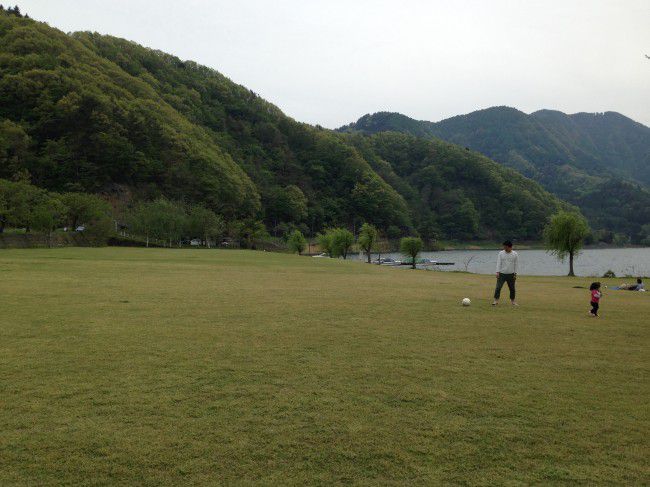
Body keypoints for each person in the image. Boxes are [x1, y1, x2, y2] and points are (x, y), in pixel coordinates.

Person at [492, 240, 518, 306]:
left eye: (506, 247)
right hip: (502, 274)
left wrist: (515, 273)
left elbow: (516, 264)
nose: (504, 248)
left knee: (512, 288)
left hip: (511, 274)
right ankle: (495, 300)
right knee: (498, 287)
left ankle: (513, 301)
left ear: (510, 247)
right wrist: (497, 272)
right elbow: (498, 263)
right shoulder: (501, 253)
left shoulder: (515, 254)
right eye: (504, 247)